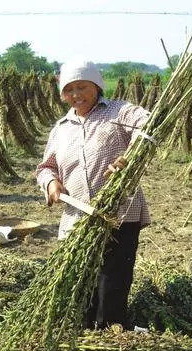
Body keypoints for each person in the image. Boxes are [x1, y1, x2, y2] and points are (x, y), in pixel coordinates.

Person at [36, 57, 150, 330]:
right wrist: (51, 183)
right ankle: (87, 334)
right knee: (81, 282)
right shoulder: (61, 128)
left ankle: (111, 338)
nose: (76, 95)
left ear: (97, 86)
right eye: (69, 90)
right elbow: (45, 167)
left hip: (119, 215)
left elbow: (148, 125)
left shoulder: (118, 112)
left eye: (82, 87)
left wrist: (128, 157)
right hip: (78, 217)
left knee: (112, 283)